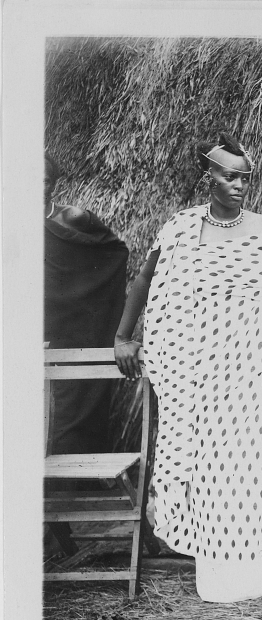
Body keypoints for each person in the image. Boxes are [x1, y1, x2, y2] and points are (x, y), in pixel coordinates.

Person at [114, 132, 262, 602]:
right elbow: (146, 280)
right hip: (204, 376)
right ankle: (222, 571)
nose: (238, 186)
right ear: (207, 176)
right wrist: (124, 335)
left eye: (244, 178)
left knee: (257, 466)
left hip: (260, 373)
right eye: (229, 176)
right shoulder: (181, 230)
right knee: (213, 471)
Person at [44, 152, 129, 455]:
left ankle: (70, 487)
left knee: (75, 404)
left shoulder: (71, 218)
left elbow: (115, 251)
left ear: (53, 185)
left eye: (45, 181)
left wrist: (84, 296)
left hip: (72, 322)